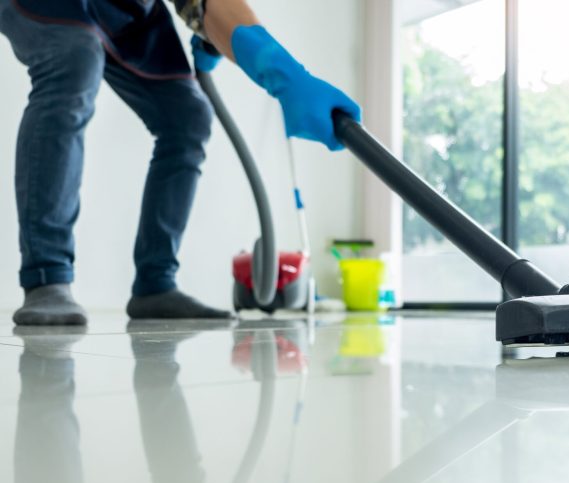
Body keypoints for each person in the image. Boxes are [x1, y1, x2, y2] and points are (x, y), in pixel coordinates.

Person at [0, 0, 361, 325]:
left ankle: (155, 284)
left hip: (127, 12)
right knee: (74, 60)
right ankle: (47, 277)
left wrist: (288, 77)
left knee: (188, 116)